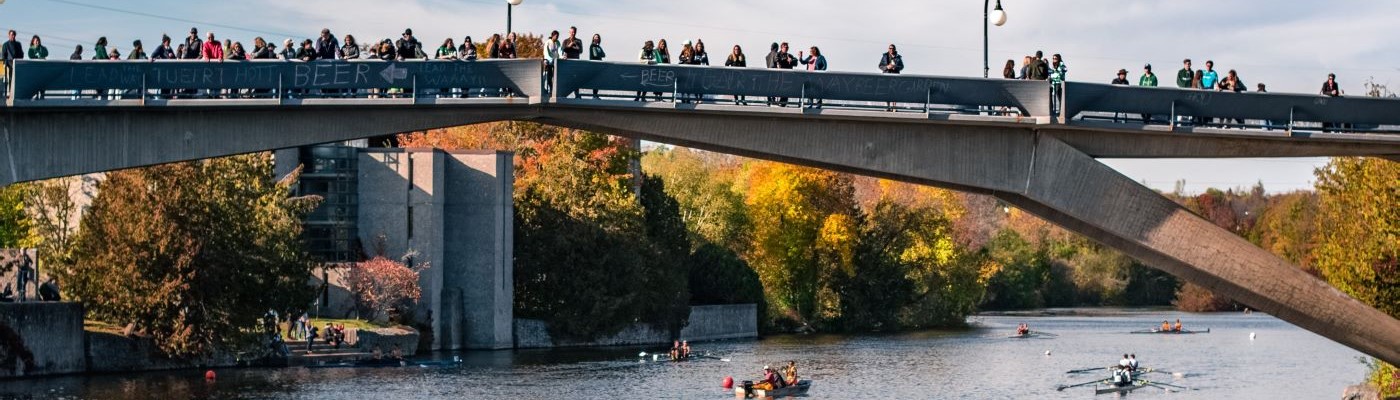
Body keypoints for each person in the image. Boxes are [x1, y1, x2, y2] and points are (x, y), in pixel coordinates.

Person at [879, 44, 904, 111]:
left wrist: (895, 67)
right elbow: (880, 66)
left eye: (892, 48)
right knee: (887, 91)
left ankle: (894, 107)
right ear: (888, 49)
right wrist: (887, 67)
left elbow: (902, 67)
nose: (891, 49)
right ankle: (887, 107)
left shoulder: (898, 57)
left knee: (894, 92)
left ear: (895, 49)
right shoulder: (885, 56)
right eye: (890, 48)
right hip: (886, 76)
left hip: (895, 77)